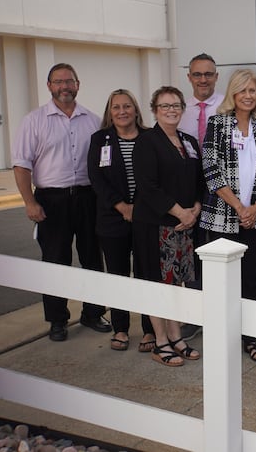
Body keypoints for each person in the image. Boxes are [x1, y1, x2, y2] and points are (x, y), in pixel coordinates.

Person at [12, 63, 111, 342]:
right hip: (51, 200)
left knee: (92, 258)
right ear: (49, 86)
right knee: (55, 261)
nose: (64, 86)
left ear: (77, 85)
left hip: (88, 198)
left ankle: (93, 313)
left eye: (69, 81)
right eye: (58, 81)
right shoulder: (34, 121)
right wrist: (29, 202)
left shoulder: (93, 120)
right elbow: (21, 165)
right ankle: (57, 320)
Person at [199, 69, 256, 363]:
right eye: (242, 90)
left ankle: (250, 338)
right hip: (223, 216)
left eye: (252, 90)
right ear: (233, 93)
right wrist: (238, 207)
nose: (248, 96)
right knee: (223, 283)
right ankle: (225, 337)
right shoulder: (217, 123)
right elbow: (210, 170)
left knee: (251, 279)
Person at [132, 86, 204, 367]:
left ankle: (176, 337)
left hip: (183, 226)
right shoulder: (147, 142)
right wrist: (180, 213)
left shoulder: (188, 141)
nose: (171, 110)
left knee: (176, 283)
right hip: (155, 225)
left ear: (183, 109)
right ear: (154, 110)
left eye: (176, 105)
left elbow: (198, 180)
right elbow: (148, 186)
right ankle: (161, 341)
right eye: (165, 106)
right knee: (157, 284)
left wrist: (195, 208)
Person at [87, 89, 155, 353]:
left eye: (127, 106)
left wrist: (140, 208)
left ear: (136, 110)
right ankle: (121, 328)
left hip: (146, 217)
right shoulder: (100, 139)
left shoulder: (150, 137)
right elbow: (96, 178)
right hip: (112, 219)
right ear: (109, 112)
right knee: (117, 275)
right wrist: (122, 206)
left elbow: (157, 176)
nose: (122, 111)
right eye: (116, 107)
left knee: (146, 274)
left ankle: (150, 329)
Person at [177, 52, 225, 340]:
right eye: (197, 74)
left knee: (222, 250)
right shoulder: (179, 111)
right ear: (189, 77)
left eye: (208, 74)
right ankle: (196, 315)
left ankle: (222, 314)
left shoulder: (228, 106)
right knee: (191, 252)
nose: (203, 79)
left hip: (224, 191)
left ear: (216, 76)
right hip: (189, 190)